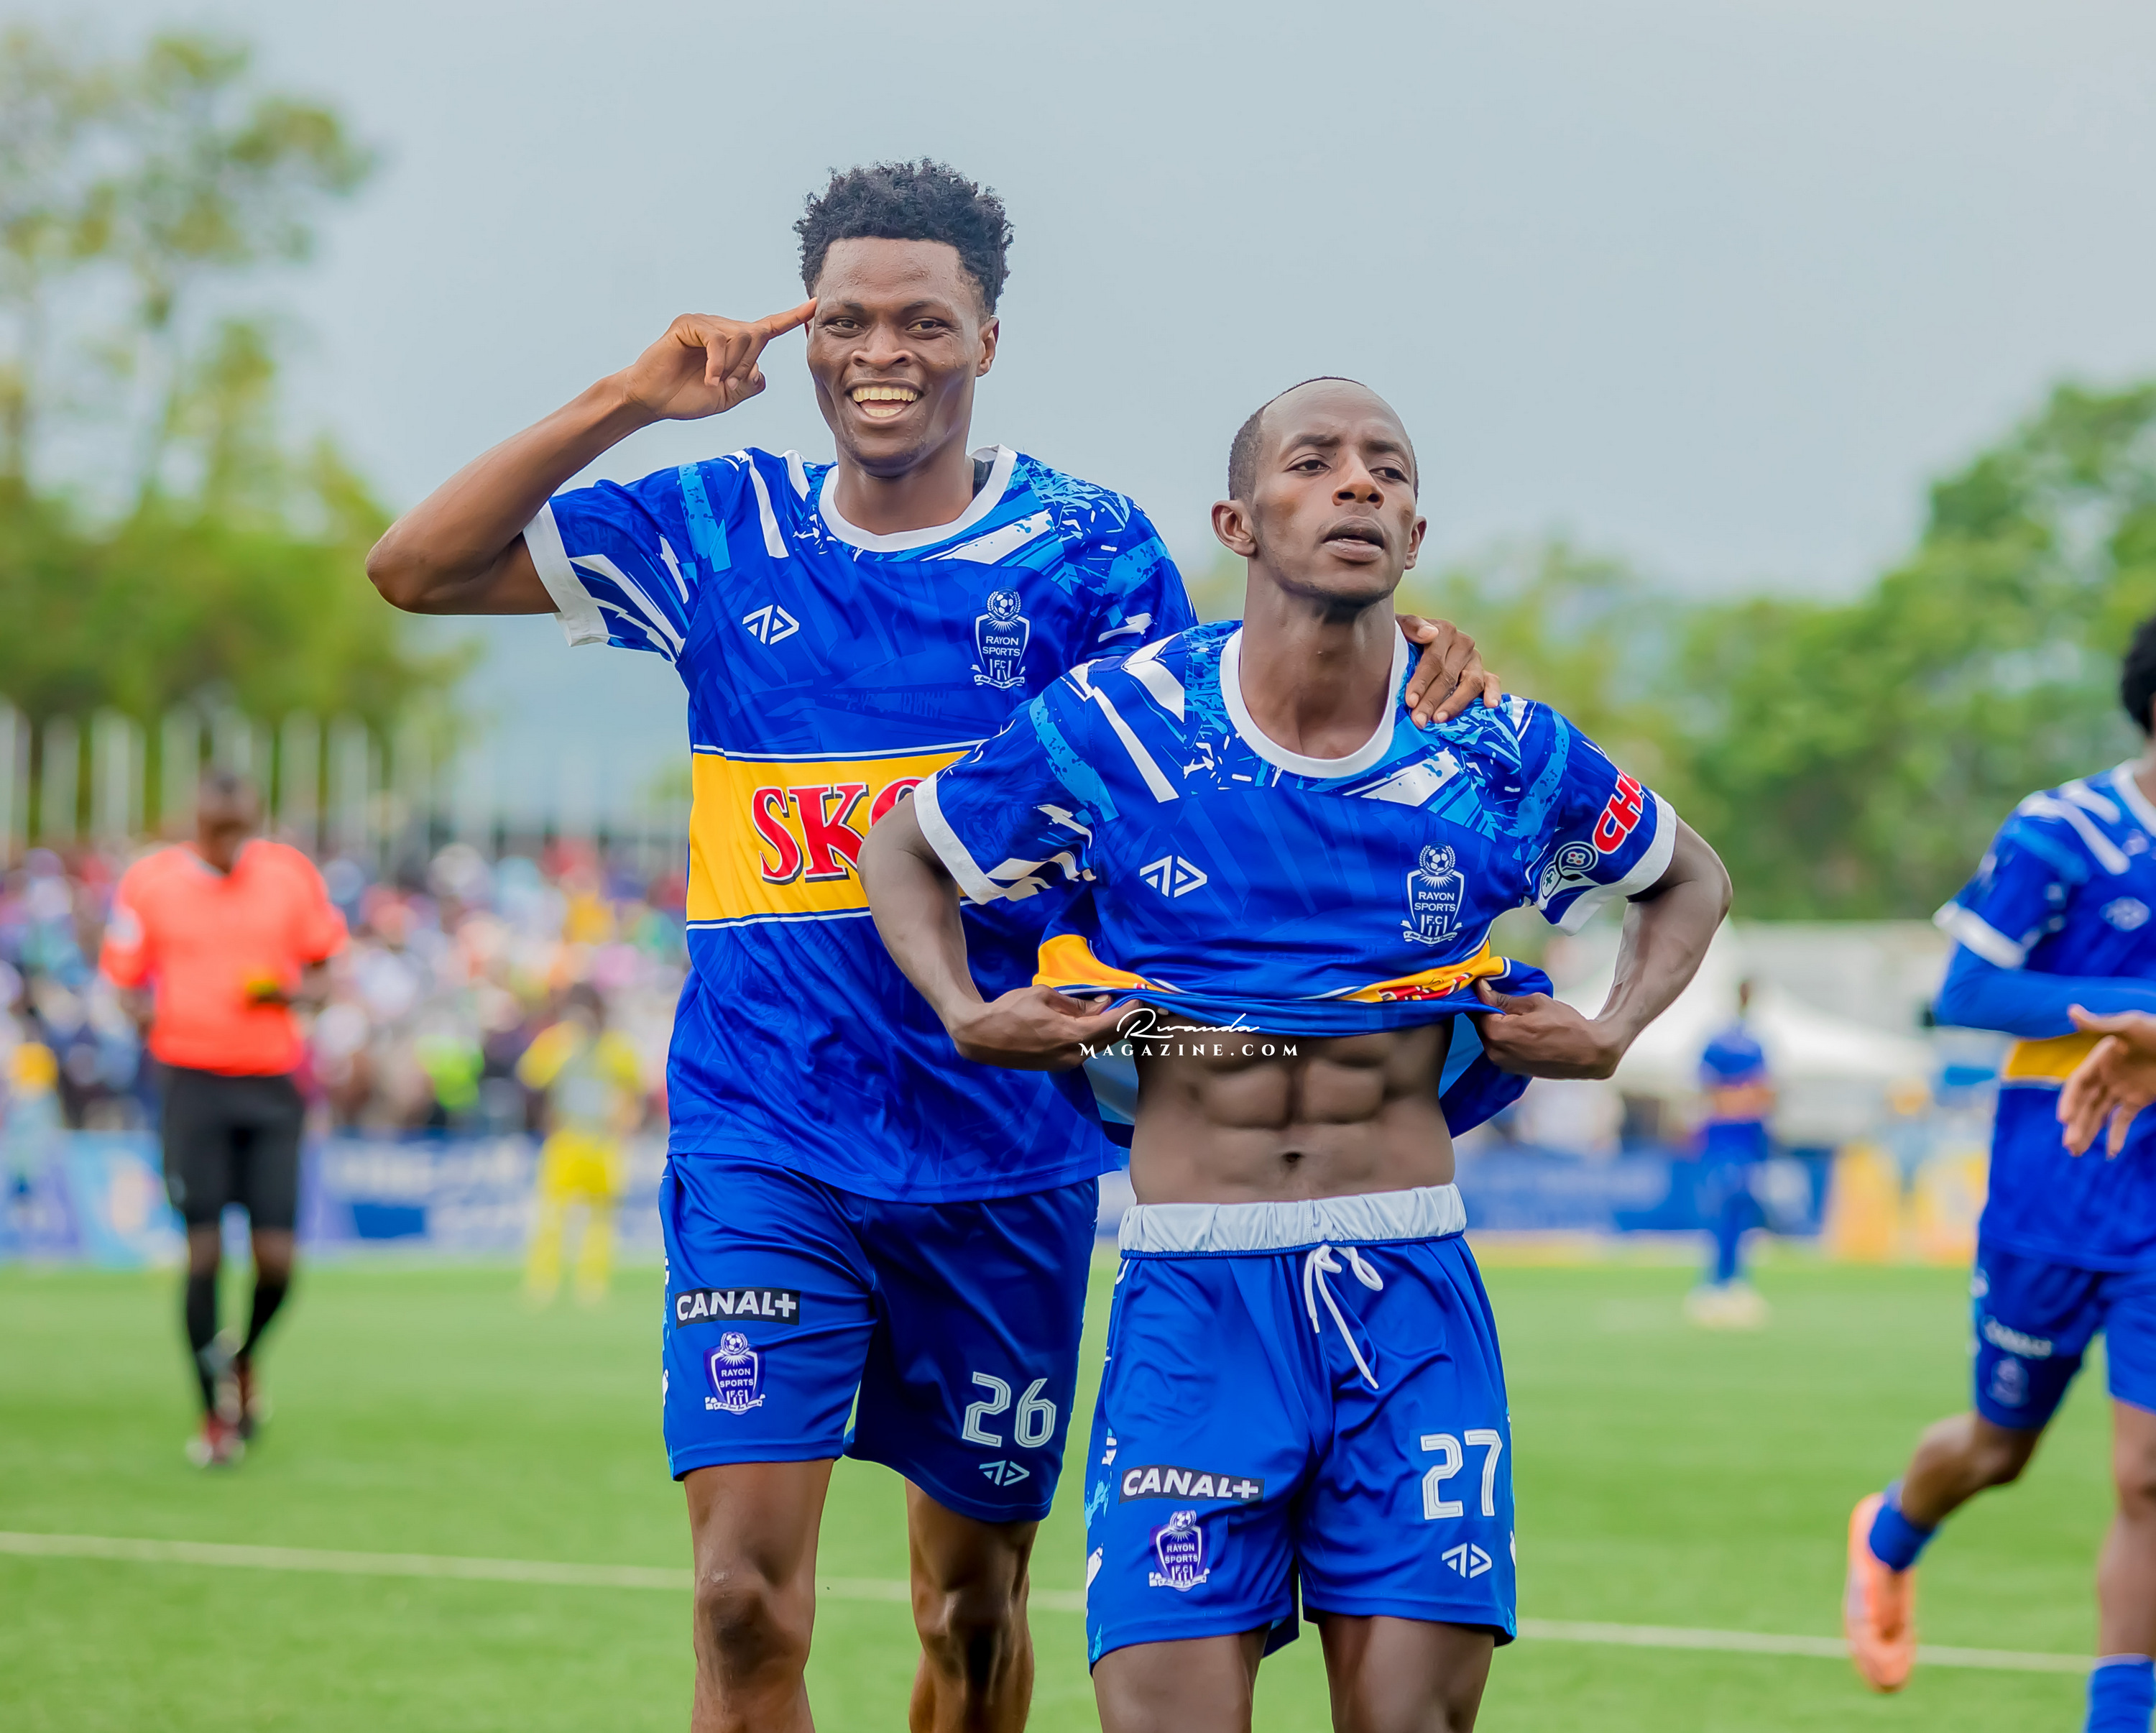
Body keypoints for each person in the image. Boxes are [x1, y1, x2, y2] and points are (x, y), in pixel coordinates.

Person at [364, 162, 1499, 1733]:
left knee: (969, 1614)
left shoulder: (1085, 551)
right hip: (769, 1133)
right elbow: (414, 568)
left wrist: (1401, 644)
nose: (880, 352)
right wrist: (629, 398)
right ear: (807, 336)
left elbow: (1215, 737)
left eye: (923, 322)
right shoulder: (720, 523)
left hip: (1002, 1154)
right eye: (846, 321)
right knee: (739, 1599)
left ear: (986, 341)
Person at [862, 377, 1728, 1732]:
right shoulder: (1121, 723)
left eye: (1388, 467)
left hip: (1411, 1294)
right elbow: (905, 849)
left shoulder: (1493, 744)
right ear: (1239, 522)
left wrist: (1613, 1030)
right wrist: (968, 1010)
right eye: (1315, 461)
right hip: (1192, 1301)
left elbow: (1688, 876)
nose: (1357, 482)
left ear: (1416, 534)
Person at [1843, 613, 2156, 1729]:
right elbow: (1968, 991)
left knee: (2147, 1475)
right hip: (2056, 1182)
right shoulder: (2062, 830)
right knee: (1998, 1445)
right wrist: (2140, 1014)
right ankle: (1891, 1532)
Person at [98, 770, 347, 1467]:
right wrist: (154, 1015)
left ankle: (244, 1357)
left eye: (243, 827)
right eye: (220, 828)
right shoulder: (151, 883)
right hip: (192, 1082)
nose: (232, 840)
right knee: (203, 1251)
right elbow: (123, 979)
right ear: (198, 822)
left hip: (271, 1083)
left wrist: (293, 993)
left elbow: (325, 969)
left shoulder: (289, 876)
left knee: (278, 1258)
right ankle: (213, 1412)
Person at [518, 983, 645, 1304]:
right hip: (565, 1138)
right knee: (552, 1214)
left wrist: (627, 1121)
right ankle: (543, 1282)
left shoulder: (616, 1047)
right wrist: (565, 1044)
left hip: (604, 1141)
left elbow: (635, 1089)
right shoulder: (559, 1042)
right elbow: (530, 1076)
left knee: (601, 1218)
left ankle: (592, 1284)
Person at [1683, 978, 1774, 1328]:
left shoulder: (1757, 1040)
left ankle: (1734, 1280)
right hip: (1725, 1136)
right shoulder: (1720, 1040)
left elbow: (1765, 1089)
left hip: (1749, 1136)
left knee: (1742, 1208)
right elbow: (1707, 1086)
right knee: (1723, 1206)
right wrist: (1740, 1099)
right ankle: (1714, 1283)